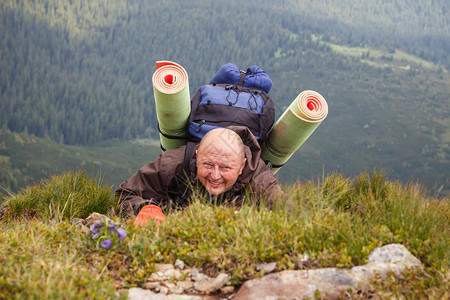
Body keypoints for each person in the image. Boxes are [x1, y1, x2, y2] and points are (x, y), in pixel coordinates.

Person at [116, 126, 283, 225]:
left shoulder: (260, 181)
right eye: (208, 165)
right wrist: (147, 211)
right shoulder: (172, 163)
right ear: (197, 157)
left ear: (242, 166)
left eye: (225, 167)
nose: (215, 176)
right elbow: (127, 193)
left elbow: (289, 215)